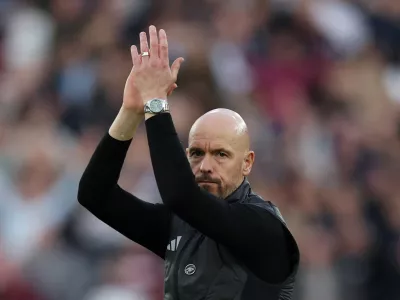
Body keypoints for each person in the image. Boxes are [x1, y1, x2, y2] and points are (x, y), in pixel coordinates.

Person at [78, 25, 300, 300]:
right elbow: (94, 195)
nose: (206, 165)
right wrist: (131, 111)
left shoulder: (263, 226)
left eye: (221, 154)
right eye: (196, 154)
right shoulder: (181, 229)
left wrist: (155, 103)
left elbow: (180, 196)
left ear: (247, 163)